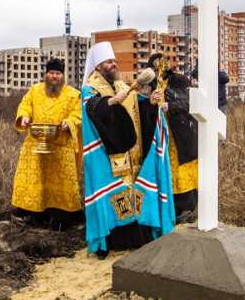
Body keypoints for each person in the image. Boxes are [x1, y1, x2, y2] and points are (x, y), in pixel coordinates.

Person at [80, 42, 174, 259]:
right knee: (115, 194)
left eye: (114, 61)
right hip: (108, 157)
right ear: (98, 66)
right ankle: (114, 241)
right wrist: (108, 103)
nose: (114, 65)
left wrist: (150, 102)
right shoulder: (91, 88)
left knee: (134, 193)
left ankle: (137, 237)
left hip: (133, 155)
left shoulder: (124, 86)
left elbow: (139, 109)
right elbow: (91, 107)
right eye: (109, 62)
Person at [12, 58, 83, 231]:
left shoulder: (73, 94)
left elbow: (78, 114)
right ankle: (35, 214)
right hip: (35, 146)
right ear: (46, 74)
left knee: (63, 182)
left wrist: (69, 122)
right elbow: (25, 105)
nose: (54, 76)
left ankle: (62, 217)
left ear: (63, 76)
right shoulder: (35, 90)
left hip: (61, 146)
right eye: (51, 73)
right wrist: (25, 117)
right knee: (37, 179)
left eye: (58, 73)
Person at [147, 53, 198, 221]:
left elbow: (193, 102)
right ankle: (174, 205)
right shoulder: (154, 84)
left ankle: (188, 206)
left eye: (156, 69)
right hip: (164, 133)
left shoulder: (180, 81)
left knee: (182, 171)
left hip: (181, 133)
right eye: (153, 70)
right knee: (169, 169)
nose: (155, 73)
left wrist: (172, 106)